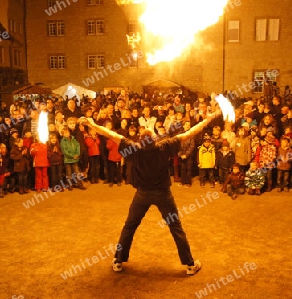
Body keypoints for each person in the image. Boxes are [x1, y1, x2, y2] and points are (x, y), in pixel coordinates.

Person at [78, 106, 223, 275]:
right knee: (176, 227)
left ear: (140, 140)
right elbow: (189, 133)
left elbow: (110, 134)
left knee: (129, 227)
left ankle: (118, 261)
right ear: (155, 139)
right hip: (163, 195)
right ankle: (190, 265)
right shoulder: (164, 147)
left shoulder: (134, 150)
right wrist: (207, 120)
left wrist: (92, 124)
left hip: (142, 195)